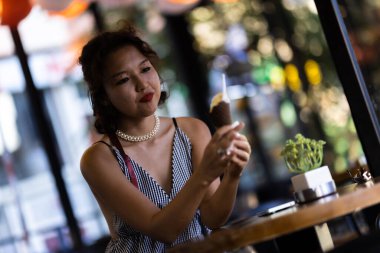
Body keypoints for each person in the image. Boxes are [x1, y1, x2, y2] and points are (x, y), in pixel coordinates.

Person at [78, 23, 252, 253]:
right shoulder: (98, 159)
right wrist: (204, 174)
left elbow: (212, 218)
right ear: (104, 96)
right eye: (123, 80)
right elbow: (163, 230)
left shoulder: (192, 130)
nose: (142, 84)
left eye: (145, 69)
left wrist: (232, 175)